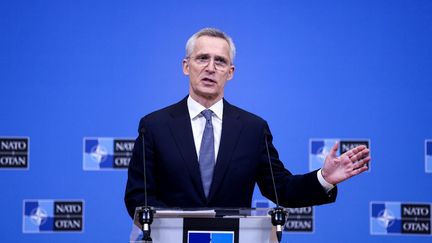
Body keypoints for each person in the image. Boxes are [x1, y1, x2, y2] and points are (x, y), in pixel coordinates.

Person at [124, 28, 371, 219]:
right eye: (202, 58)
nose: (210, 68)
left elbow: (281, 189)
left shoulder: (254, 129)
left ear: (230, 72)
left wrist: (324, 178)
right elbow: (138, 197)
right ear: (186, 66)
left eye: (219, 61)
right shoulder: (154, 126)